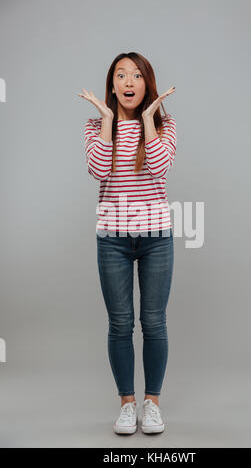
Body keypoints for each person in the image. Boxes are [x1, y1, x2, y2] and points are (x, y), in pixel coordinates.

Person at [78, 52, 176, 435]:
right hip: (112, 241)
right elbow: (99, 169)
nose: (129, 82)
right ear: (113, 84)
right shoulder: (94, 126)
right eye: (121, 75)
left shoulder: (165, 127)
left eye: (137, 75)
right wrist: (107, 122)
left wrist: (149, 121)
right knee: (120, 324)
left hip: (156, 239)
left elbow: (160, 166)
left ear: (146, 83)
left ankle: (152, 404)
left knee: (153, 323)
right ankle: (126, 404)